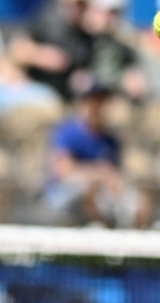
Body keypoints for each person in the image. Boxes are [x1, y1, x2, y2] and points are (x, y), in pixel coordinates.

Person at [43, 84, 143, 227]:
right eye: (94, 100)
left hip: (102, 198)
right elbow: (64, 171)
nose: (98, 106)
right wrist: (99, 174)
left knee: (134, 201)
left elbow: (114, 177)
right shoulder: (67, 132)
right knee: (86, 188)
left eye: (102, 101)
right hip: (62, 196)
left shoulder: (110, 140)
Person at [10, 0, 93, 101]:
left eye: (84, 3)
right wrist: (40, 56)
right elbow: (16, 50)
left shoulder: (88, 33)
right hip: (35, 88)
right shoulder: (46, 18)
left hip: (67, 96)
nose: (80, 8)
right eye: (77, 3)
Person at [83, 0, 145, 103]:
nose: (112, 18)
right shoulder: (80, 33)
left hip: (110, 96)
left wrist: (130, 78)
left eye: (117, 13)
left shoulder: (122, 39)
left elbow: (132, 66)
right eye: (109, 12)